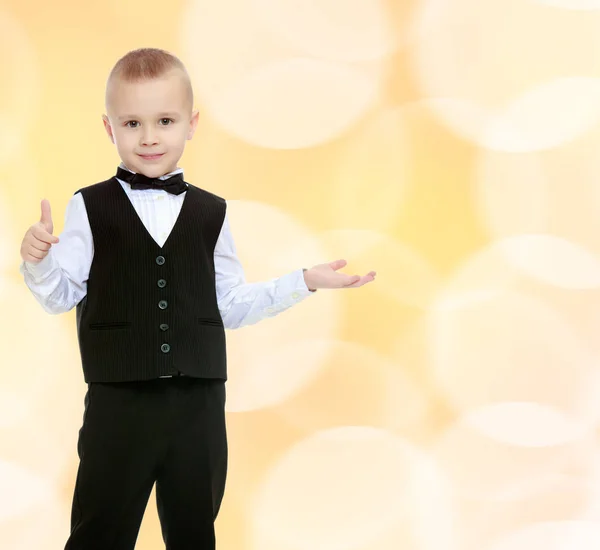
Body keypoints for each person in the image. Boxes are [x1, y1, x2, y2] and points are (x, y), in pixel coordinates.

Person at [19, 47, 377, 550]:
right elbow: (61, 296)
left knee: (194, 532)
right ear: (109, 129)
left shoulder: (213, 212)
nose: (148, 137)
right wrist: (38, 261)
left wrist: (304, 280)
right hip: (118, 401)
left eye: (164, 120)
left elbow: (228, 303)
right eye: (132, 123)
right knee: (99, 530)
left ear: (191, 124)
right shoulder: (89, 206)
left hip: (199, 403)